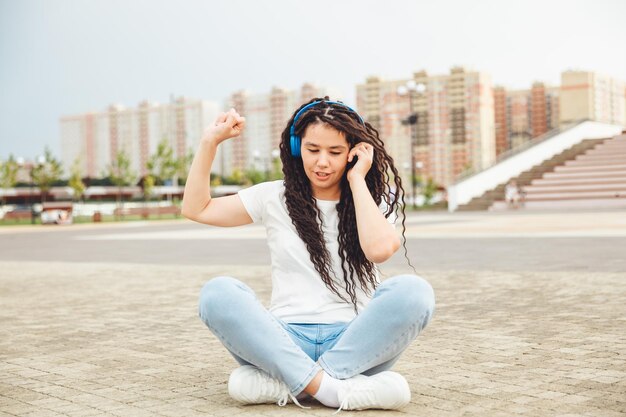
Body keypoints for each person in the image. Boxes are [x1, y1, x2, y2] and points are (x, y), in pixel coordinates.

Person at [182, 98, 435, 412]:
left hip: (355, 342)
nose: (322, 163)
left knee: (414, 292)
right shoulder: (274, 196)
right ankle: (333, 391)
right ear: (295, 146)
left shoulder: (375, 202)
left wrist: (357, 181)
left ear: (354, 152)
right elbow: (197, 208)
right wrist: (210, 142)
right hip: (284, 342)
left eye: (335, 152)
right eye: (313, 150)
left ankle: (292, 385)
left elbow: (379, 250)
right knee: (217, 293)